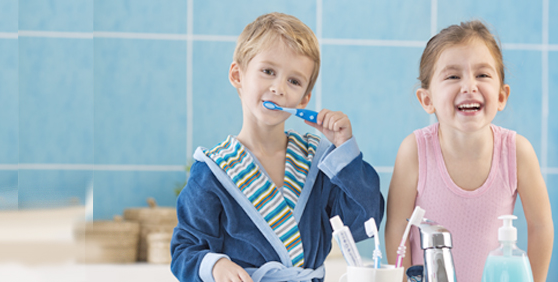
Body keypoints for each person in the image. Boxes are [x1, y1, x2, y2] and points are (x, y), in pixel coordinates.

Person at [170, 12, 384, 282]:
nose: (278, 88)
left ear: (304, 99)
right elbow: (184, 250)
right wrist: (216, 266)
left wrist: (345, 152)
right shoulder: (213, 170)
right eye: (268, 71)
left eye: (293, 81)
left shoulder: (319, 161)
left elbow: (365, 225)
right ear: (238, 75)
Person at [385, 20, 553, 281]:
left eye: (482, 75)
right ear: (427, 100)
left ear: (501, 96)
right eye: (453, 76)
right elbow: (397, 230)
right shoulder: (414, 151)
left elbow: (541, 226)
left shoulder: (517, 152)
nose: (469, 86)